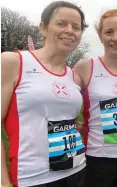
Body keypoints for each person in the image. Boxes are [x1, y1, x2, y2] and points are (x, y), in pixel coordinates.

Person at [1, 1, 88, 187]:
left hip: (77, 170)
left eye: (76, 27)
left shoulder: (73, 76)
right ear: (43, 28)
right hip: (33, 178)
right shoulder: (12, 62)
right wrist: (3, 181)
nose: (70, 30)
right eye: (61, 23)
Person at [73, 9, 117, 187]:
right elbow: (62, 101)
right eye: (109, 32)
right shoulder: (85, 67)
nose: (116, 38)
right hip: (97, 159)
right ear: (100, 36)